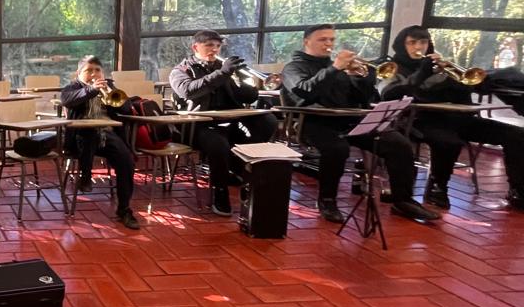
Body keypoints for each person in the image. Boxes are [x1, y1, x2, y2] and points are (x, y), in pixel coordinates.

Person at [281, 24, 438, 224]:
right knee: (337, 149)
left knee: (399, 144)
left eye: (331, 39)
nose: (329, 44)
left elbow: (367, 98)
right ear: (306, 42)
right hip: (313, 122)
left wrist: (362, 78)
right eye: (323, 39)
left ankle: (403, 200)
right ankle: (327, 200)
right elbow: (304, 92)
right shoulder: (294, 68)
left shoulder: (340, 68)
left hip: (348, 121)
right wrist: (335, 68)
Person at [381, 25, 524, 211]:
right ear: (402, 45)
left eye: (423, 42)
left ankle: (518, 189)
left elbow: (464, 91)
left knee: (516, 134)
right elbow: (390, 95)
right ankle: (437, 187)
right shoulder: (394, 68)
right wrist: (421, 73)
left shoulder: (440, 68)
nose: (419, 47)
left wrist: (460, 79)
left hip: (457, 119)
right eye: (412, 42)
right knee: (448, 142)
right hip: (420, 121)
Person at [169, 30, 279, 215]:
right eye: (209, 46)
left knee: (267, 121)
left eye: (217, 46)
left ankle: (236, 166)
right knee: (218, 144)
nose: (214, 50)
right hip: (198, 124)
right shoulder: (181, 70)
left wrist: (244, 80)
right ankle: (220, 191)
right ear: (195, 47)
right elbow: (189, 91)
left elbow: (248, 96)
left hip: (230, 120)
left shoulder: (223, 69)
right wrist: (223, 73)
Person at [58, 56, 141, 230]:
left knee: (126, 161)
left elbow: (126, 108)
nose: (94, 74)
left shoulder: (110, 86)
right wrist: (92, 90)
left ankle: (124, 209)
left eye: (97, 70)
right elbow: (67, 101)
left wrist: (111, 95)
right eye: (89, 70)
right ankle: (85, 176)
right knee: (90, 133)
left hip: (108, 135)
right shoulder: (72, 87)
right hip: (81, 137)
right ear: (78, 73)